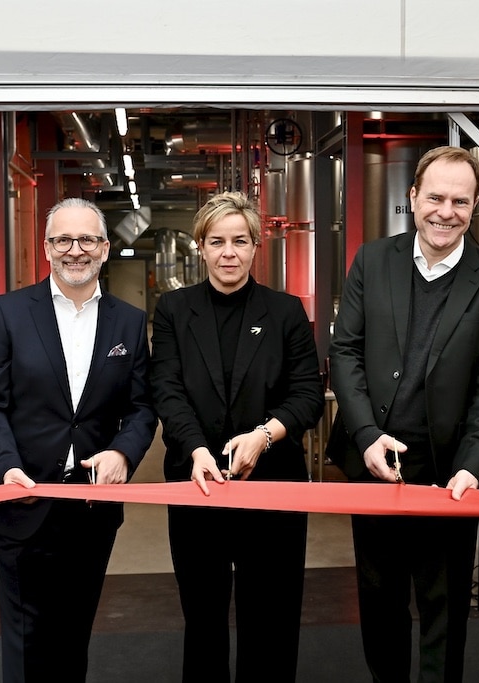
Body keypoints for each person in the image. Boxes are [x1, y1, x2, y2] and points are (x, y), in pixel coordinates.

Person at [327, 146, 479, 682]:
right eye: (435, 197)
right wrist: (366, 435)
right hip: (374, 463)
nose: (446, 211)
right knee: (379, 599)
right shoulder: (371, 259)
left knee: (445, 607)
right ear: (412, 198)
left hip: (449, 474)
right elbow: (345, 352)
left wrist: (473, 466)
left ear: (475, 205)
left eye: (460, 201)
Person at [0, 197, 156, 683]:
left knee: (74, 636)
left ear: (106, 248)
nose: (77, 250)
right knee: (27, 645)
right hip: (20, 497)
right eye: (64, 240)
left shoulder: (128, 323)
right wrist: (5, 466)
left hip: (91, 507)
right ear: (47, 248)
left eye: (88, 239)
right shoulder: (8, 313)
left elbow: (141, 407)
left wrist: (122, 452)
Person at [150, 191, 324, 682]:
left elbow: (308, 394)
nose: (230, 252)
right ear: (200, 247)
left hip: (274, 489)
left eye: (240, 241)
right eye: (218, 241)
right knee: (202, 617)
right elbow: (166, 390)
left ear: (255, 247)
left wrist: (264, 436)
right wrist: (197, 449)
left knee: (271, 619)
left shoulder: (286, 312)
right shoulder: (173, 311)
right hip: (196, 484)